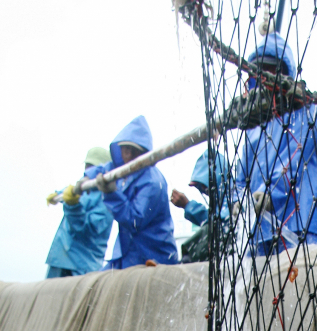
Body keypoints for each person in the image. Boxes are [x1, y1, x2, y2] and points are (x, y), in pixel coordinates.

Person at [222, 32, 317, 256]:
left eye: (273, 70)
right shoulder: (254, 127)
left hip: (299, 232)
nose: (267, 76)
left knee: (303, 287)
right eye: (260, 71)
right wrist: (237, 202)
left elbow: (295, 160)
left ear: (284, 72)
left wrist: (269, 194)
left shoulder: (308, 112)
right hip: (259, 235)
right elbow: (240, 177)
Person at [88, 116, 178, 269]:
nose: (128, 154)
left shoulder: (153, 182)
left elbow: (134, 220)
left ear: (143, 151)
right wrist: (84, 180)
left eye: (133, 150)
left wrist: (111, 193)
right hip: (126, 254)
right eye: (125, 149)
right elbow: (103, 169)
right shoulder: (124, 172)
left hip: (153, 254)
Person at [45, 147, 113, 277]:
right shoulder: (81, 189)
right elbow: (70, 191)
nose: (89, 171)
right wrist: (58, 194)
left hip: (82, 266)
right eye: (87, 166)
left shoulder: (107, 199)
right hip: (60, 259)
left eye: (93, 167)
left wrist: (73, 206)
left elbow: (88, 229)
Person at [170, 148, 231, 263]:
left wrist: (188, 206)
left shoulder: (234, 194)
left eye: (204, 185)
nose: (203, 190)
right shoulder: (220, 199)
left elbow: (221, 222)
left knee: (207, 232)